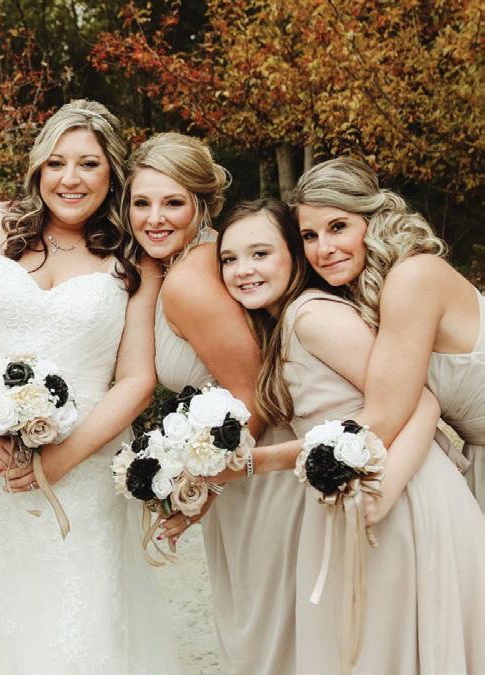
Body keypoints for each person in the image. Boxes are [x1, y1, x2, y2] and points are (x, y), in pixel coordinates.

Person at [0, 100, 178, 673]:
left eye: (88, 164)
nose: (70, 179)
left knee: (81, 618)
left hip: (85, 463)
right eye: (56, 163)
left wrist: (63, 459)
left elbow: (137, 378)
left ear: (112, 173)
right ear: (37, 168)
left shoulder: (133, 257)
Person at [218, 197, 485, 673]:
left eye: (260, 253)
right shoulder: (287, 323)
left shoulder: (311, 316)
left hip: (396, 495)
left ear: (293, 256)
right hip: (353, 493)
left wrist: (255, 464)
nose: (243, 270)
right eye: (229, 259)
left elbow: (421, 401)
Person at [125, 133, 303, 674]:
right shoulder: (185, 262)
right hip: (244, 466)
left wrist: (201, 489)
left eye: (173, 202)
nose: (155, 218)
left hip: (261, 474)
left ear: (203, 203)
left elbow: (258, 395)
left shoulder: (191, 280)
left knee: (268, 636)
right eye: (141, 202)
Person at [291, 157, 485, 510]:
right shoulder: (369, 293)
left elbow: (384, 418)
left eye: (338, 227)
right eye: (310, 236)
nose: (323, 248)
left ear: (371, 219)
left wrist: (252, 463)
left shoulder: (413, 277)